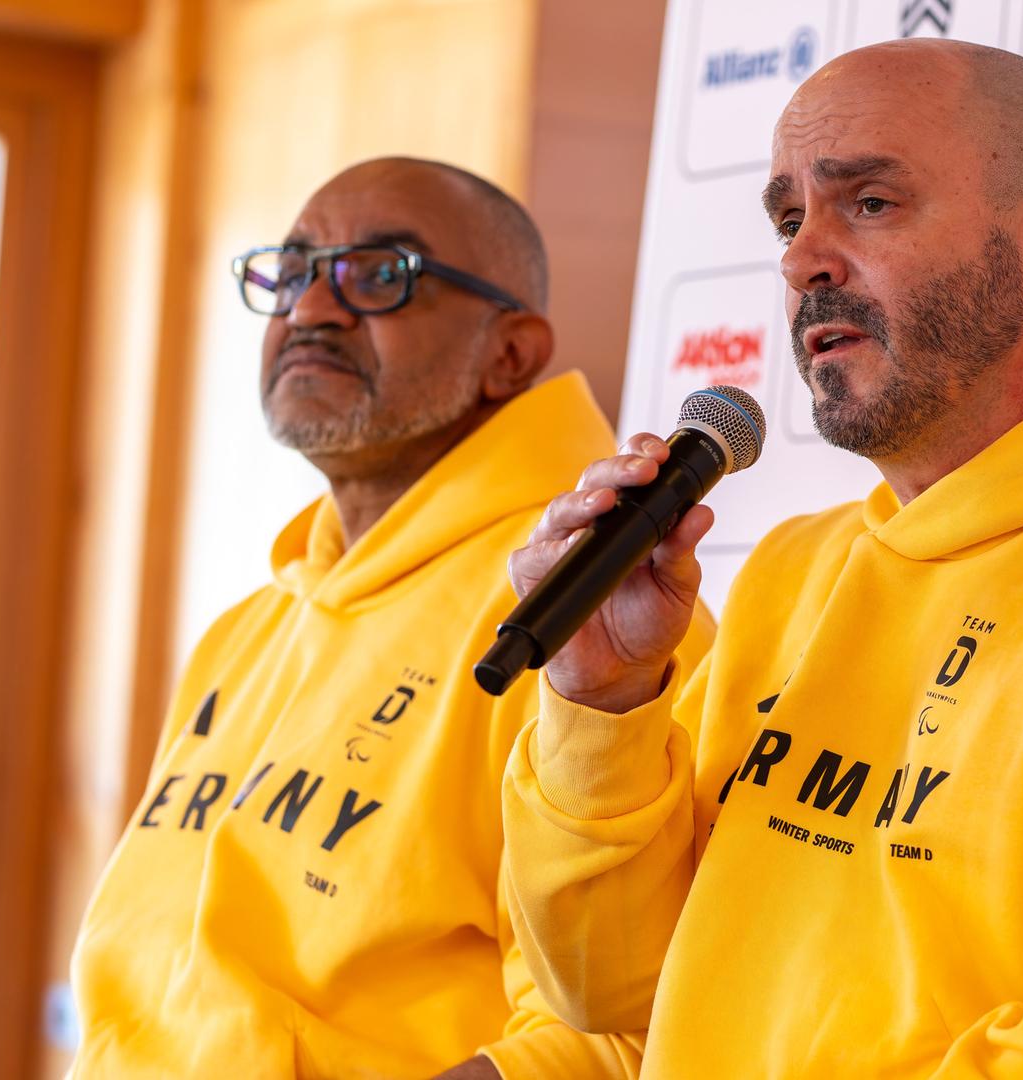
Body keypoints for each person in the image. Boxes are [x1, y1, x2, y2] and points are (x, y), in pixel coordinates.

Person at [500, 38, 1023, 1076]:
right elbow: (612, 990)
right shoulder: (791, 572)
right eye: (787, 217)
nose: (802, 257)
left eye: (868, 203)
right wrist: (609, 699)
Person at [68, 157, 712, 1078]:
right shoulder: (247, 627)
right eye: (291, 273)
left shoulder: (587, 617)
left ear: (510, 353)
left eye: (380, 275)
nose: (311, 310)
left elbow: (619, 1032)